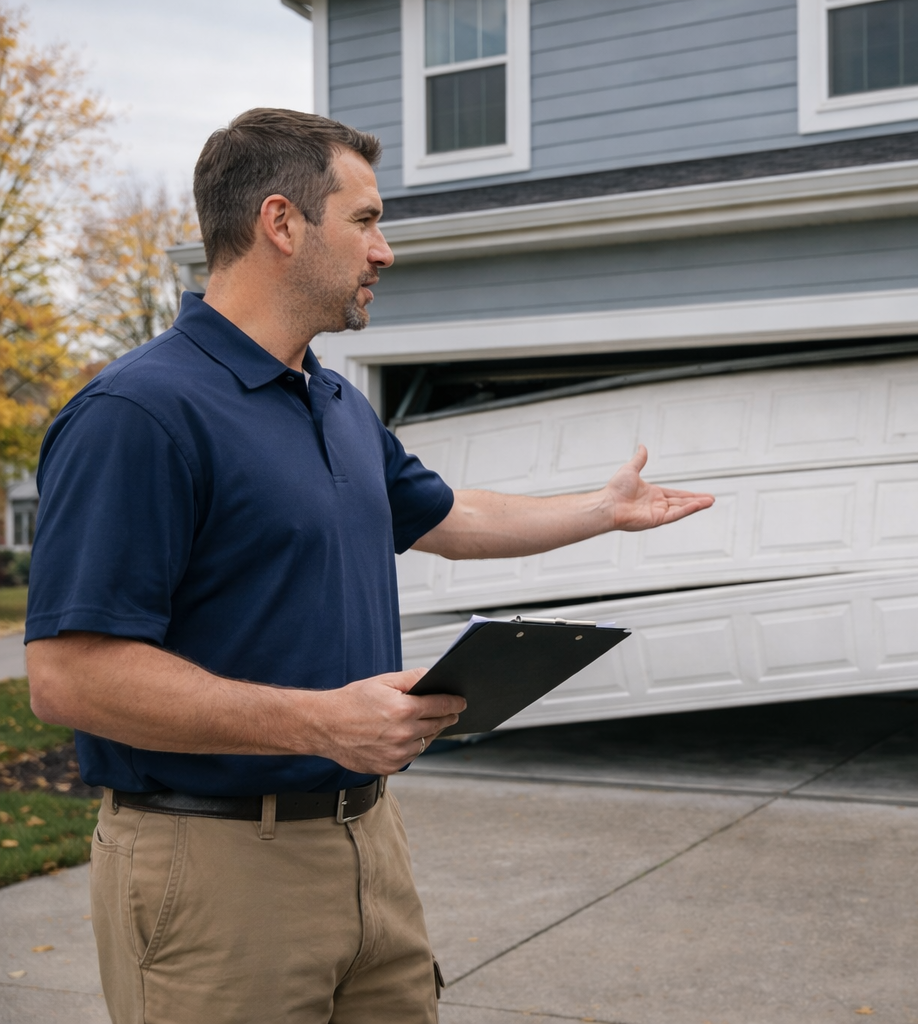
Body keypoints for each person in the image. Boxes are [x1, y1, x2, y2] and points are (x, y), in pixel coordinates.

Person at [24, 108, 713, 1024]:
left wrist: (600, 511)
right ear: (281, 223)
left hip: (367, 844)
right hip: (212, 864)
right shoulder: (140, 414)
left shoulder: (336, 404)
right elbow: (68, 679)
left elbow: (449, 515)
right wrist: (318, 723)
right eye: (365, 220)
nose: (384, 251)